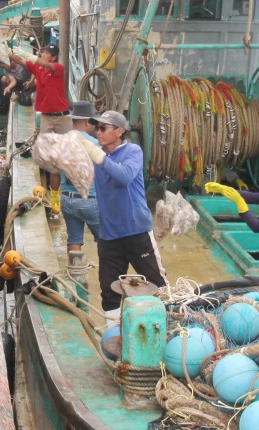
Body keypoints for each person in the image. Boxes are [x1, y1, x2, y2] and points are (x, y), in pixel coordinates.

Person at [77, 110, 166, 319]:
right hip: (108, 236)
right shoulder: (98, 158)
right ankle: (113, 337)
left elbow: (124, 177)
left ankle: (167, 328)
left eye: (103, 128)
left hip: (137, 233)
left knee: (157, 286)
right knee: (109, 292)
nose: (98, 132)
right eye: (95, 128)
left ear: (119, 132)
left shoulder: (133, 151)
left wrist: (98, 157)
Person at [9, 43, 69, 213]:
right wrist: (6, 52)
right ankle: (55, 198)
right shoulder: (38, 69)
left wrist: (32, 57)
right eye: (41, 53)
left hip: (63, 118)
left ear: (54, 57)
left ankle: (68, 192)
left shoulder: (58, 68)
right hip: (47, 118)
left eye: (46, 53)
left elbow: (46, 65)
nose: (42, 55)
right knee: (52, 162)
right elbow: (20, 61)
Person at [61, 100, 101, 266]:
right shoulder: (94, 144)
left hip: (66, 199)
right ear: (86, 121)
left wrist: (55, 197)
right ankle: (108, 272)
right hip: (88, 200)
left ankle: (76, 274)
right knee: (107, 239)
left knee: (74, 239)